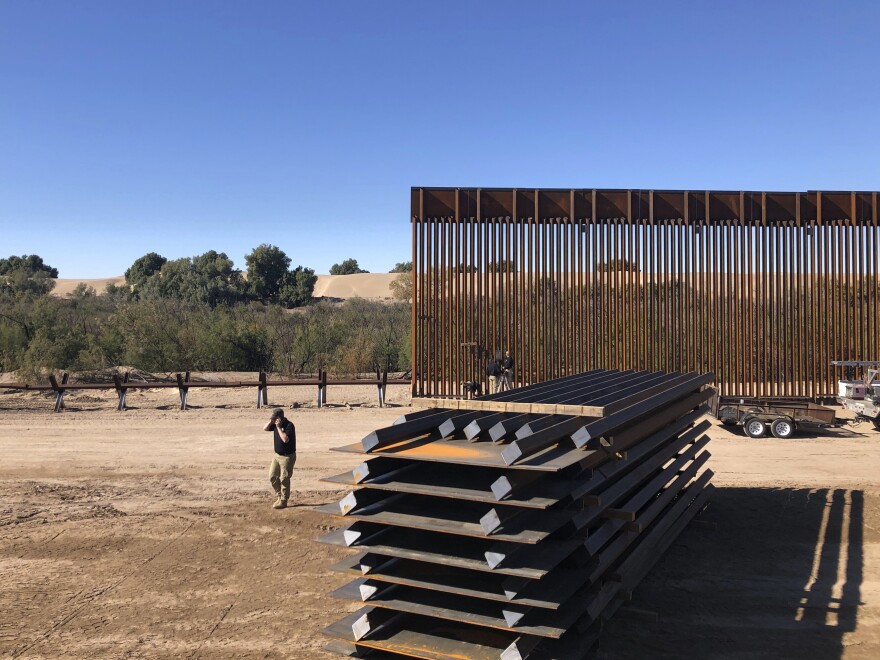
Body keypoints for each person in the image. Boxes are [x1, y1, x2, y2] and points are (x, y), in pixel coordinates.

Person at [264, 408, 296, 509]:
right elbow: (264, 428)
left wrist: (278, 428)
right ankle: (279, 495)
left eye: (275, 418)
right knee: (272, 476)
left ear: (280, 418)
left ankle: (283, 500)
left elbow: (285, 439)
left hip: (287, 457)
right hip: (277, 456)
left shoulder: (289, 425)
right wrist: (271, 421)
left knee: (284, 479)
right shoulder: (274, 424)